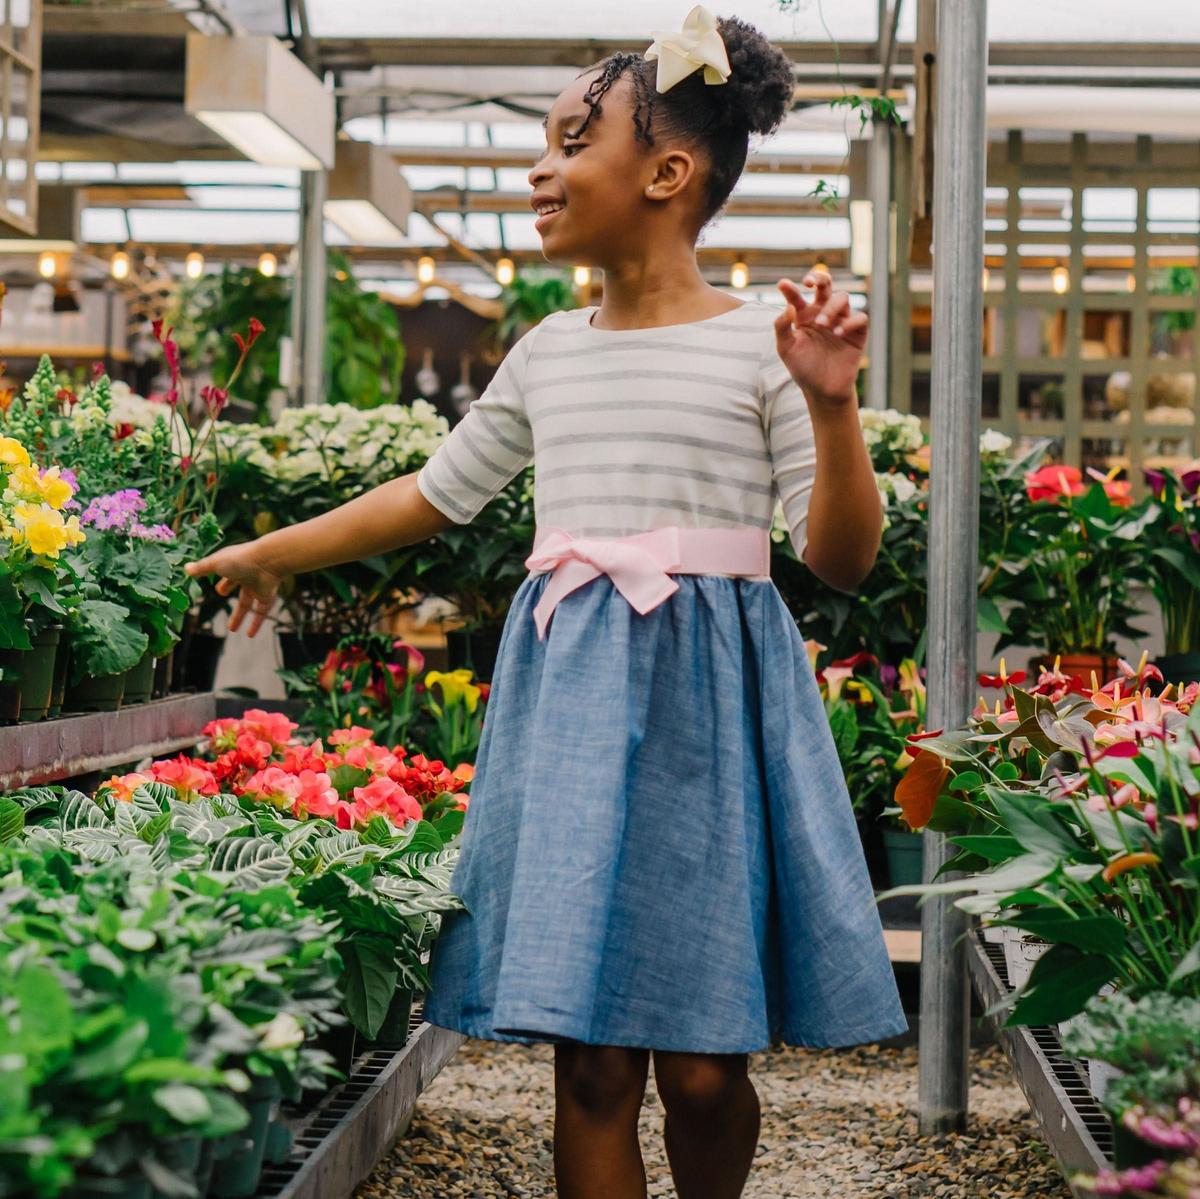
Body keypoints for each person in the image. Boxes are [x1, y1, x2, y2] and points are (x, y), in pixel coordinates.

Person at [187, 8, 907, 1196]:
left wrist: (830, 407)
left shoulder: (758, 349)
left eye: (574, 142)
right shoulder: (544, 351)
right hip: (570, 696)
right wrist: (277, 548)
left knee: (705, 1073)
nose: (541, 167)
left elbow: (838, 557)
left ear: (667, 173)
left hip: (711, 711)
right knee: (592, 1062)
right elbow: (431, 493)